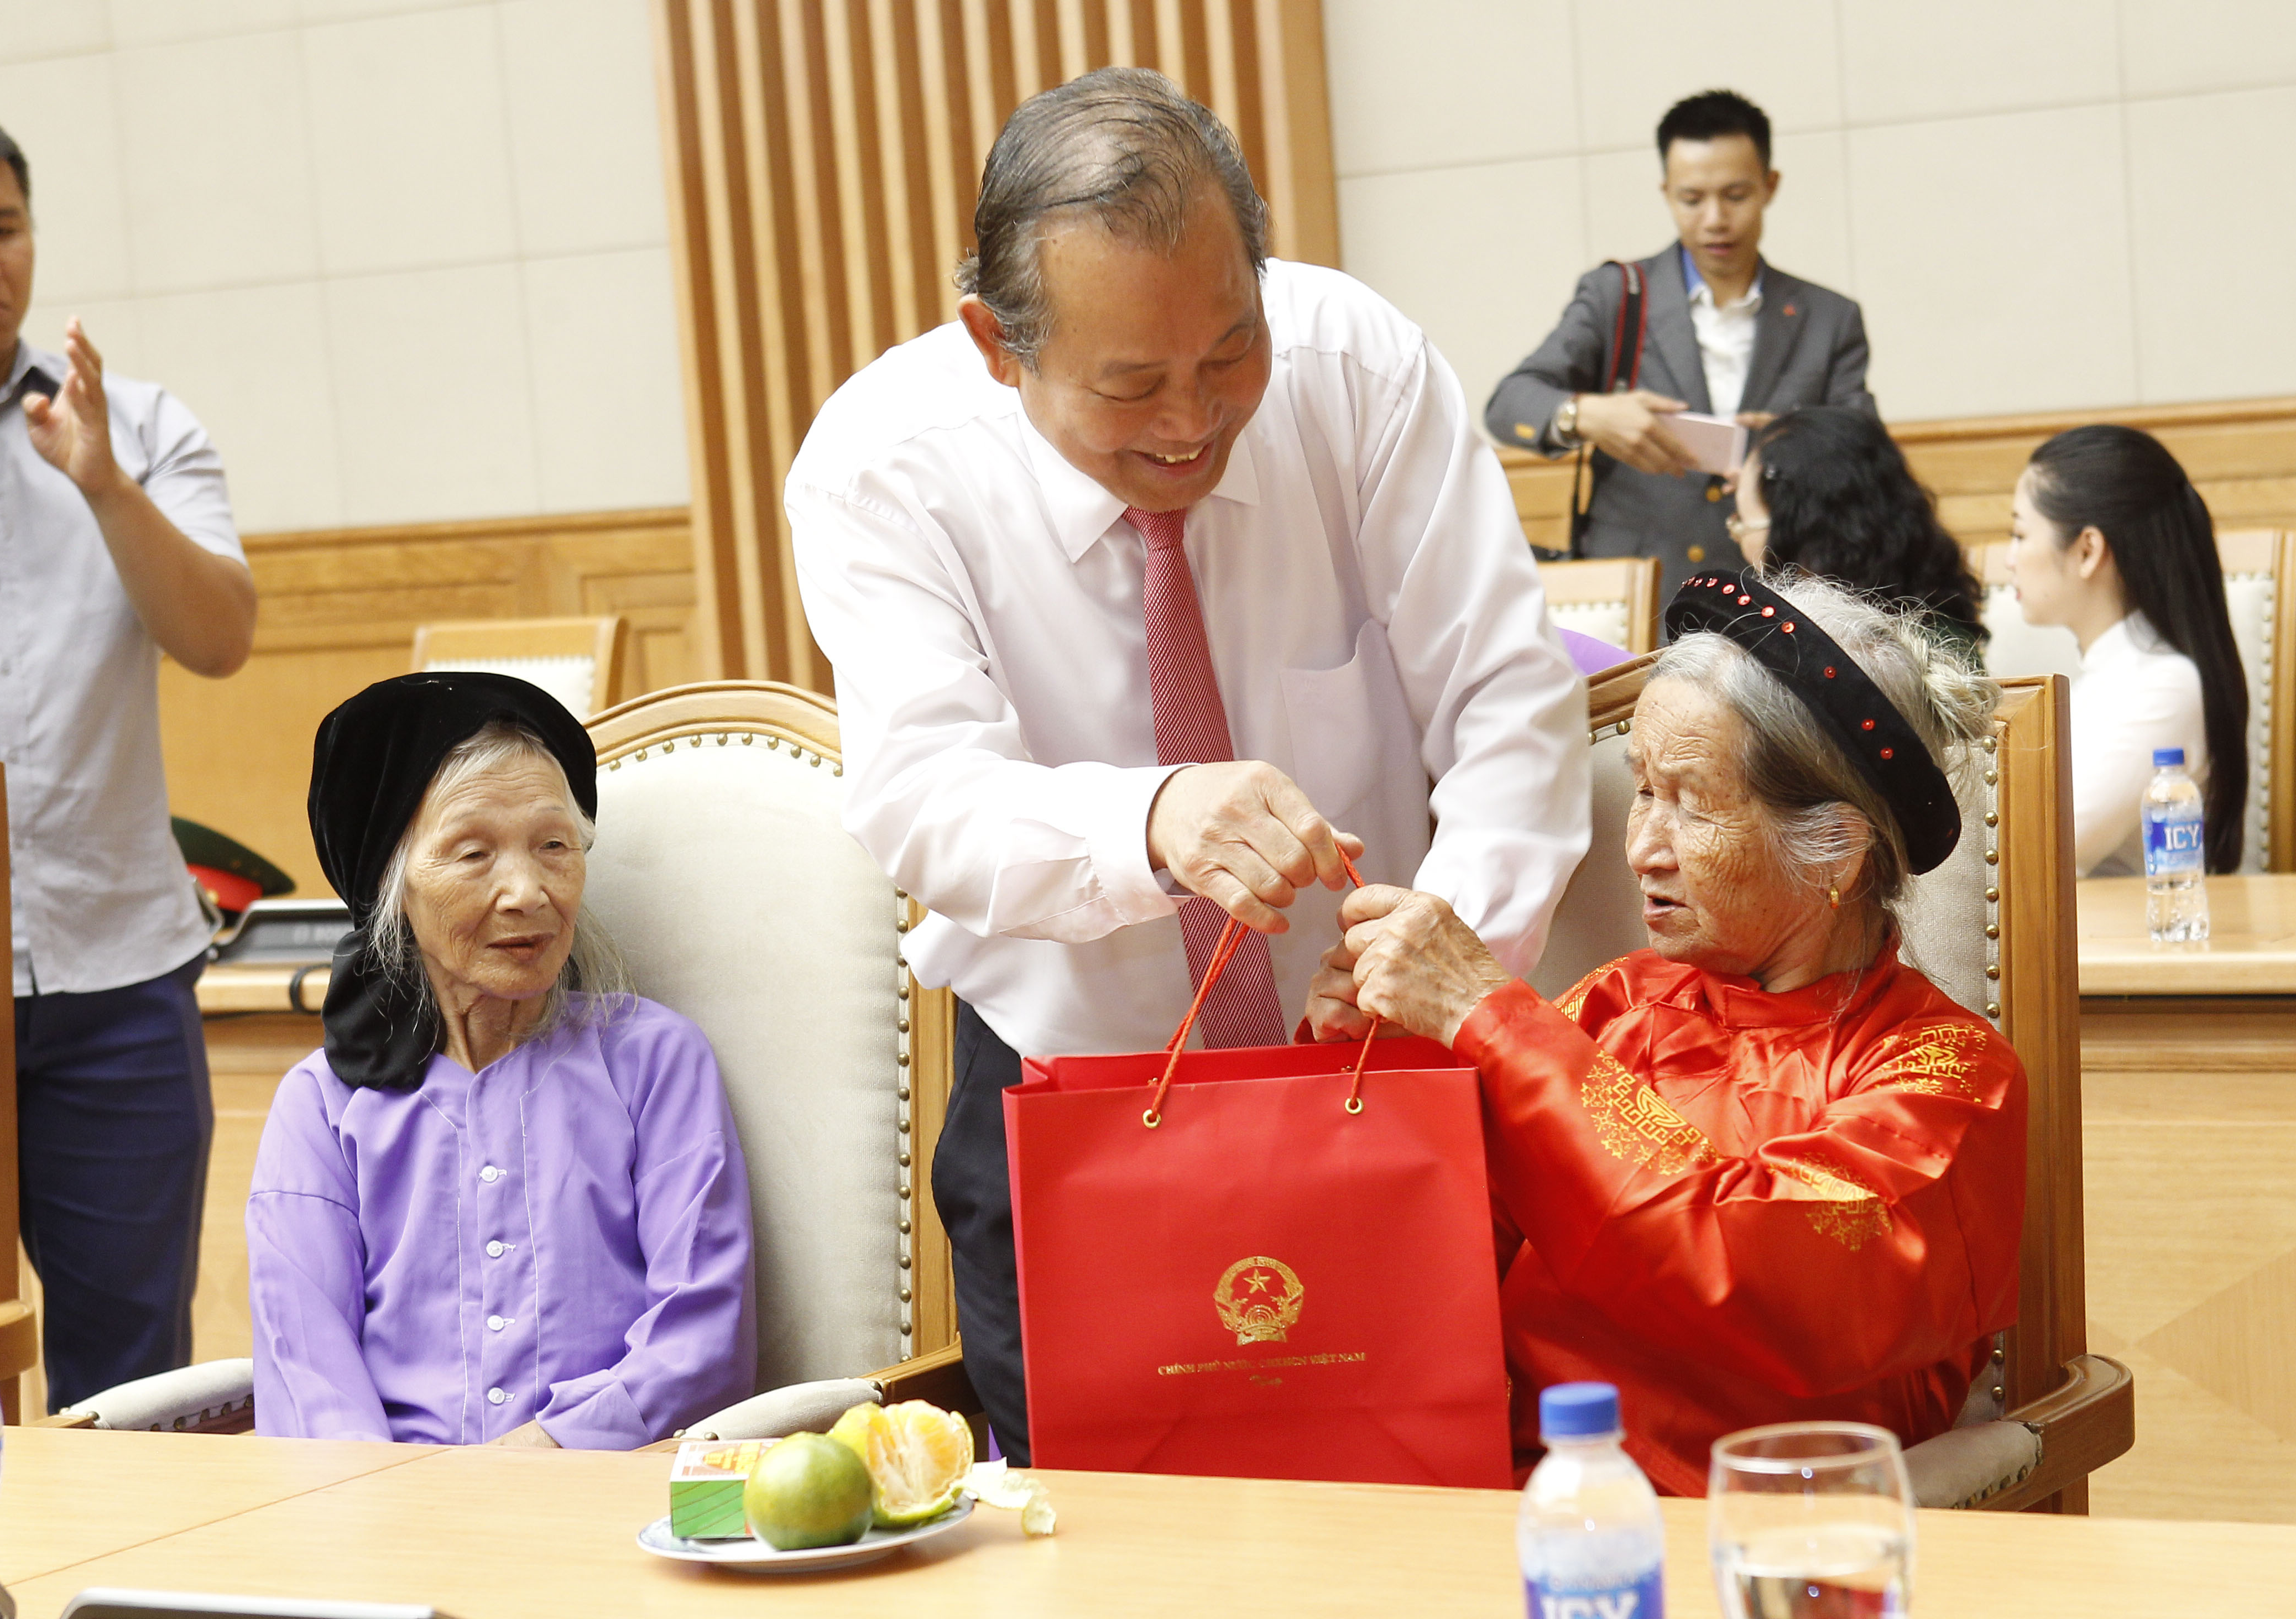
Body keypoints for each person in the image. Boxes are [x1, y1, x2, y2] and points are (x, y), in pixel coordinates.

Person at [786, 69, 1587, 1464]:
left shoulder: (1358, 370)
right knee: (1113, 1545)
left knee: (1428, 1515)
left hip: (1389, 1078)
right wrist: (1150, 821)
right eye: (1131, 385)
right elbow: (920, 795)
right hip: (1070, 1099)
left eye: (1229, 354)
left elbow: (1509, 699)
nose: (1192, 420)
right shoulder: (884, 465)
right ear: (997, 345)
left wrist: (1442, 970)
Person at [1309, 571, 2024, 1495]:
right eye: (1645, 792)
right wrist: (1367, 1055)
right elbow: (1420, 1246)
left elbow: (1754, 1272)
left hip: (1749, 1530)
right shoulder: (1616, 1005)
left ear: (1836, 855)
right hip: (1517, 1499)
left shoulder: (1946, 1072)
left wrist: (1488, 1015)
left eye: (1691, 804)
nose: (1643, 845)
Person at [247, 673, 756, 1447]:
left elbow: (704, 1335)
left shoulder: (655, 1064)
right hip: (382, 1505)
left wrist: (547, 1452)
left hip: (613, 1488)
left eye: (554, 846)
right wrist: (389, 1501)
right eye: (474, 853)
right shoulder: (321, 1104)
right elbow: (307, 1369)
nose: (527, 892)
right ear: (393, 884)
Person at [0, 106, 260, 1409]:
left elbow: (219, 638)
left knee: (136, 1384)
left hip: (117, 981)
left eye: (4, 229)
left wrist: (103, 486)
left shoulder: (134, 426)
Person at [1488, 89, 1876, 597]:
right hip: (1642, 594)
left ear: (1770, 186)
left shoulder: (1829, 319)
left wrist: (1796, 451)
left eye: (1735, 195)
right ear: (1667, 193)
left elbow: (1868, 457)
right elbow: (1509, 403)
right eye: (1692, 199)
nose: (1714, 219)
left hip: (1776, 595)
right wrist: (1586, 415)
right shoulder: (1617, 297)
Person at [2008, 424, 2248, 876]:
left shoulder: (2163, 686)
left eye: (2020, 535)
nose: (2009, 559)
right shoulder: (2106, 676)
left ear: (2088, 551)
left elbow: (2038, 850)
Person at [1726, 405, 1984, 655]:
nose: (1739, 542)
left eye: (1741, 524)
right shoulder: (1934, 618)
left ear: (1804, 532)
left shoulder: (1916, 652)